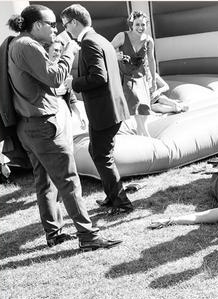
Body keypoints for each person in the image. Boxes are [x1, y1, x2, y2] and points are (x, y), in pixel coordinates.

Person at [6, 4, 121, 251]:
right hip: (43, 126)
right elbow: (55, 77)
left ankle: (54, 233)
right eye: (51, 24)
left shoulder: (19, 45)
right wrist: (69, 50)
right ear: (37, 25)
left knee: (45, 182)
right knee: (69, 181)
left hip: (31, 125)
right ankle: (88, 237)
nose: (56, 29)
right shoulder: (27, 45)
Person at [62, 4, 133, 214]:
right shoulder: (100, 38)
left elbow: (99, 77)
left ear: (74, 22)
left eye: (66, 25)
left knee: (102, 156)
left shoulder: (89, 42)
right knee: (98, 153)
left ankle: (122, 203)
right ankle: (113, 196)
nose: (66, 29)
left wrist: (72, 83)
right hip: (111, 109)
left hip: (104, 111)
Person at [111, 11, 156, 136]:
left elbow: (151, 60)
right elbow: (107, 50)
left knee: (145, 110)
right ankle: (147, 137)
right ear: (131, 24)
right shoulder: (122, 36)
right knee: (137, 110)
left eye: (143, 25)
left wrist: (152, 80)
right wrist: (116, 55)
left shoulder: (148, 41)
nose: (140, 28)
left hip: (141, 78)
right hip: (126, 78)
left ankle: (140, 134)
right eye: (137, 25)